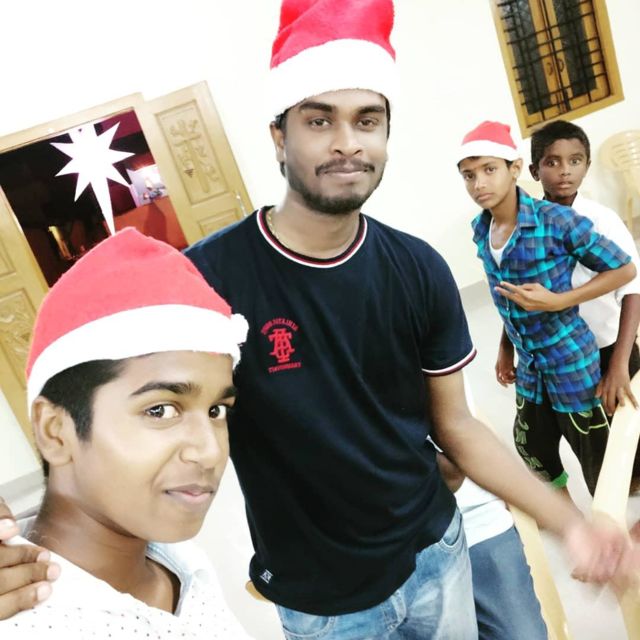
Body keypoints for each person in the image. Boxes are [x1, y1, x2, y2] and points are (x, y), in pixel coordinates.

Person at [1, 2, 639, 638]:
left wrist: (573, 524)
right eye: (318, 120)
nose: (347, 142)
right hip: (323, 600)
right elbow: (101, 408)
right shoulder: (206, 279)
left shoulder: (418, 267)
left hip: (435, 553)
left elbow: (459, 426)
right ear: (279, 137)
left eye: (367, 121)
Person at [0, 228, 251, 638]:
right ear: (55, 430)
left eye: (216, 411)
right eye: (160, 410)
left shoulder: (181, 563)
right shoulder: (27, 624)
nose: (210, 451)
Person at [459, 120, 636, 497]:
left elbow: (628, 278)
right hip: (537, 356)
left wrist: (561, 303)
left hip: (593, 345)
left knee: (609, 446)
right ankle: (573, 515)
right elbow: (511, 293)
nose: (479, 184)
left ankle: (618, 511)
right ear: (535, 169)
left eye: (489, 170)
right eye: (469, 175)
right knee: (533, 444)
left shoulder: (578, 220)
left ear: (514, 170)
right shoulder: (486, 228)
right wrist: (506, 346)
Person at [528, 120, 640, 420]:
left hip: (610, 346)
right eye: (552, 162)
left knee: (628, 428)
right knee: (592, 431)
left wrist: (619, 364)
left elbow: (633, 289)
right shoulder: (530, 226)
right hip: (564, 355)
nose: (565, 171)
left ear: (586, 166)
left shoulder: (602, 220)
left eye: (575, 161)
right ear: (535, 171)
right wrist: (506, 348)